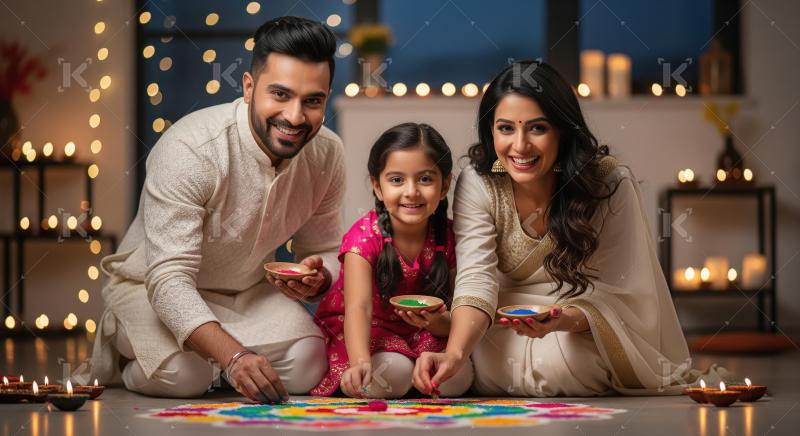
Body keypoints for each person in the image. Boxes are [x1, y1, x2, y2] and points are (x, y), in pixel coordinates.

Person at [86, 16, 344, 402]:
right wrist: (235, 357)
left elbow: (325, 247)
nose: (294, 117)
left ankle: (217, 368)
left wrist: (320, 279)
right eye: (280, 94)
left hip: (248, 295)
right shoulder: (191, 149)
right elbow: (168, 280)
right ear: (249, 87)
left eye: (312, 101)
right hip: (149, 289)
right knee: (186, 376)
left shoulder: (327, 153)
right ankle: (131, 361)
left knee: (309, 364)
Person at [412, 60, 695, 397]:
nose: (520, 146)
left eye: (537, 128)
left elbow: (625, 292)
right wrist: (455, 353)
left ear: (562, 129)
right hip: (501, 321)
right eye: (506, 129)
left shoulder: (608, 182)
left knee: (569, 363)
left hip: (580, 326)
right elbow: (476, 277)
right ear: (490, 131)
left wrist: (563, 319)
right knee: (480, 355)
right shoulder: (480, 181)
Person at [311, 123, 473, 398]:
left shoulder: (452, 237)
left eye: (425, 179)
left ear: (445, 185)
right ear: (377, 186)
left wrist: (434, 322)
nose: (411, 192)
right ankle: (406, 378)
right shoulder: (364, 238)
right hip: (371, 332)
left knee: (458, 379)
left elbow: (457, 316)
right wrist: (360, 362)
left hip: (424, 334)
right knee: (392, 375)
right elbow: (359, 309)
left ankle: (417, 378)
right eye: (397, 180)